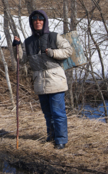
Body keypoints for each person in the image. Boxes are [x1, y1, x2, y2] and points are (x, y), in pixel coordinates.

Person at [13, 10, 72, 149]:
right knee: (47, 113)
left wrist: (53, 53)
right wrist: (17, 46)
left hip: (55, 80)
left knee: (58, 113)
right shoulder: (28, 42)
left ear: (44, 21)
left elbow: (68, 51)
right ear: (32, 23)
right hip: (39, 81)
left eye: (40, 20)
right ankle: (51, 136)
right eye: (35, 20)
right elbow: (21, 60)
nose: (37, 22)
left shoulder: (54, 37)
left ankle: (61, 140)